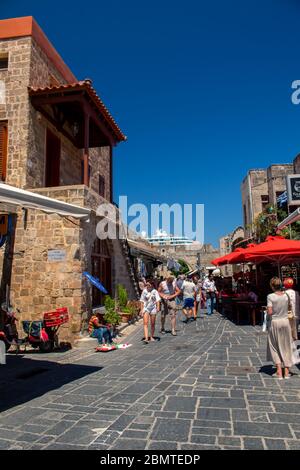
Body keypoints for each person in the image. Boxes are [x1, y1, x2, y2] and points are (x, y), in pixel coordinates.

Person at [267, 277, 293, 380]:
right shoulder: (286, 296)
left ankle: (278, 371)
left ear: (272, 286)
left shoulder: (270, 296)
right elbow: (289, 308)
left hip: (275, 322)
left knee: (275, 346)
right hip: (285, 322)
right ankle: (286, 372)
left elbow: (269, 312)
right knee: (286, 346)